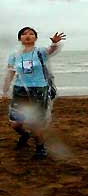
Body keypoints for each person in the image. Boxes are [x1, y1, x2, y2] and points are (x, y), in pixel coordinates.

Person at [2, 27, 66, 159]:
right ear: (20, 38)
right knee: (15, 123)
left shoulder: (40, 52)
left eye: (31, 34)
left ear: (35, 38)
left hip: (39, 89)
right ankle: (24, 135)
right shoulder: (14, 55)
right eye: (24, 34)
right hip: (20, 90)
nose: (27, 36)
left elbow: (51, 50)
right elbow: (10, 73)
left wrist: (54, 43)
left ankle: (40, 147)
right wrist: (4, 91)